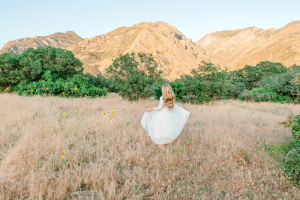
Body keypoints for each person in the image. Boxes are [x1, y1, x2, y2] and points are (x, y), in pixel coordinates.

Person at [141, 83, 190, 150]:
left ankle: (161, 144)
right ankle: (162, 144)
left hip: (162, 115)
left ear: (164, 90)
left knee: (161, 128)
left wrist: (151, 109)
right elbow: (173, 107)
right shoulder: (171, 97)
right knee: (166, 129)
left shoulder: (162, 98)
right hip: (169, 115)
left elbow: (160, 108)